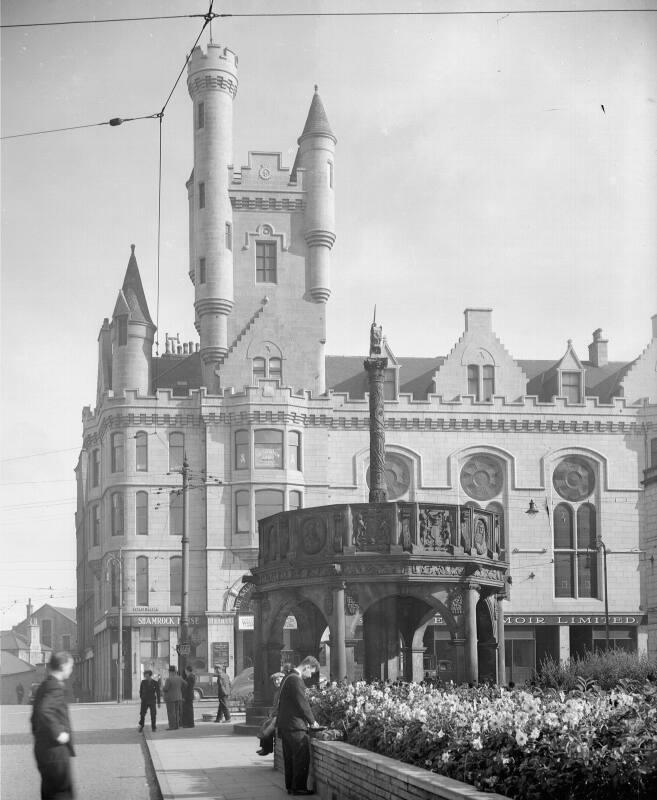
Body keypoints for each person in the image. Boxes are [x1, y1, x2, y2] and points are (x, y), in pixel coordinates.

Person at [30, 651, 75, 799]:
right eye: (70, 666)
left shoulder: (44, 685)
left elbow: (34, 718)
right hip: (55, 752)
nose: (71, 670)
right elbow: (44, 710)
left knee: (50, 794)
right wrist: (58, 733)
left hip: (44, 750)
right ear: (62, 666)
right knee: (61, 794)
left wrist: (40, 737)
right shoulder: (54, 687)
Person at [276, 655, 321, 796]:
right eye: (311, 672)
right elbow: (302, 703)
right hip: (295, 725)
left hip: (285, 724)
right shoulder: (296, 679)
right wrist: (313, 722)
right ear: (307, 666)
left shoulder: (287, 677)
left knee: (289, 757)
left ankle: (290, 786)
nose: (309, 676)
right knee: (302, 756)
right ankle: (299, 788)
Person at [256, 671, 286, 756]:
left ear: (283, 679)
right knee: (264, 723)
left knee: (268, 725)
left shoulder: (283, 691)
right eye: (274, 681)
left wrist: (274, 714)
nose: (276, 682)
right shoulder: (277, 692)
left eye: (278, 680)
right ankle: (264, 747)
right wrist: (270, 713)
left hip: (281, 715)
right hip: (275, 714)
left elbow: (280, 706)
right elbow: (274, 706)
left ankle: (266, 749)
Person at [162, 665, 185, 730]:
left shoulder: (169, 679)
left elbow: (166, 689)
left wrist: (162, 688)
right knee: (177, 712)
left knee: (171, 713)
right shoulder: (180, 678)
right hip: (178, 697)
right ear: (176, 671)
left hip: (170, 698)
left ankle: (172, 726)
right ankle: (177, 725)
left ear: (170, 672)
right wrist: (180, 691)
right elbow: (185, 684)